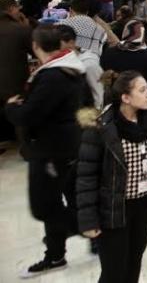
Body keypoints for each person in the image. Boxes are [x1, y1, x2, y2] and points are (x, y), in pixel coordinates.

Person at [76, 71, 147, 283]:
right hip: (113, 208)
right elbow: (86, 177)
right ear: (126, 98)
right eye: (142, 90)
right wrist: (88, 220)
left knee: (134, 262)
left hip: (144, 205)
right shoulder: (101, 127)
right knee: (113, 271)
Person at [5, 25, 85, 278]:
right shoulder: (68, 68)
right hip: (63, 145)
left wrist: (11, 108)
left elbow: (29, 115)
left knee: (43, 207)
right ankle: (56, 254)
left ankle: (90, 227)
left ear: (35, 46)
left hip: (52, 149)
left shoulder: (53, 76)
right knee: (55, 203)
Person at [0, 0, 31, 144]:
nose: (20, 12)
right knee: (19, 116)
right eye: (18, 9)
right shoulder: (20, 29)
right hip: (14, 82)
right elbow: (37, 50)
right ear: (11, 9)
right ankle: (24, 146)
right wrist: (27, 27)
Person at [101, 19, 147, 94]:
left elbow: (102, 77)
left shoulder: (109, 52)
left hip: (113, 95)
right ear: (143, 35)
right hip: (136, 97)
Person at [56, 24, 105, 109]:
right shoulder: (61, 63)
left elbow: (99, 97)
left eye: (57, 44)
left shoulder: (89, 64)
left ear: (71, 43)